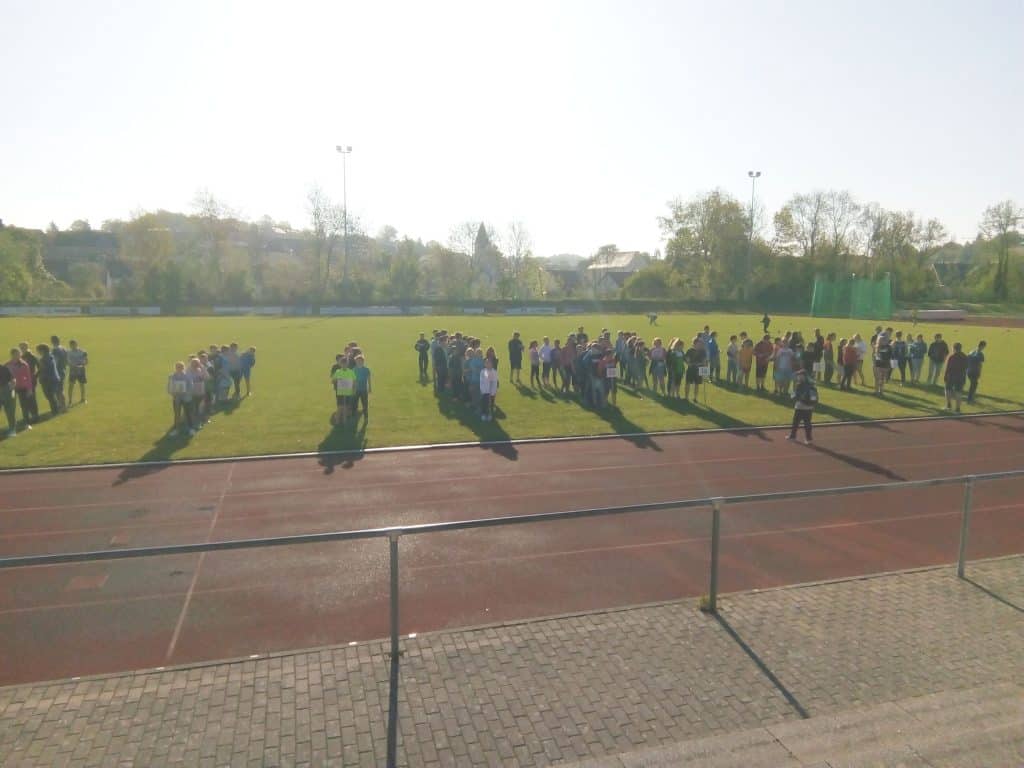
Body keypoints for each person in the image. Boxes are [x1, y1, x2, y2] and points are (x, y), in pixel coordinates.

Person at [8, 347, 38, 428]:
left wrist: (29, 389)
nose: (18, 356)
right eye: (16, 354)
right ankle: (13, 424)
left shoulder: (24, 364)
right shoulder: (7, 364)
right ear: (12, 355)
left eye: (19, 354)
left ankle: (26, 421)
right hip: (11, 388)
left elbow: (28, 378)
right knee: (11, 406)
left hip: (22, 387)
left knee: (24, 405)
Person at [788, 369, 818, 445]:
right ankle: (806, 438)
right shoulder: (811, 385)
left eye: (799, 376)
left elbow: (796, 396)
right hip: (806, 408)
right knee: (804, 423)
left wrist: (793, 396)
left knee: (799, 423)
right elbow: (814, 398)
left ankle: (794, 436)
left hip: (801, 407)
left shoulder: (801, 385)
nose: (798, 377)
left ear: (804, 376)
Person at [167, 361, 195, 436]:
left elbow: (191, 387)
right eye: (177, 367)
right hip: (177, 398)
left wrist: (185, 392)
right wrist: (173, 393)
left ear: (183, 368)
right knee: (177, 414)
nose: (179, 369)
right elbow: (169, 388)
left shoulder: (187, 376)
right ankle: (176, 429)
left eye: (180, 367)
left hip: (186, 398)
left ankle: (191, 428)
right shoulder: (172, 376)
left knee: (188, 413)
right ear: (175, 368)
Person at [35, 344, 63, 416]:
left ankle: (55, 411)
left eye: (38, 350)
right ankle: (56, 409)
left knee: (50, 396)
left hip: (49, 380)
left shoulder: (46, 358)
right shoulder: (49, 356)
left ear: (42, 350)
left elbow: (44, 369)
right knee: (51, 396)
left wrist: (37, 375)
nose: (38, 352)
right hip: (52, 379)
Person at [331, 355, 357, 425]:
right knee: (340, 406)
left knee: (346, 407)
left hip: (348, 392)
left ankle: (345, 420)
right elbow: (333, 380)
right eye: (342, 363)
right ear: (341, 364)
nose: (344, 365)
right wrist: (337, 380)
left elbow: (354, 382)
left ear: (347, 364)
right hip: (340, 392)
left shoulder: (351, 372)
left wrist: (354, 390)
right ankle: (337, 420)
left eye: (345, 364)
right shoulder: (338, 371)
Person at [944, 342, 968, 413]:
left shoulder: (952, 356)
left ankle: (948, 406)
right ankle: (958, 409)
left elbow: (948, 367)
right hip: (961, 376)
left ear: (954, 348)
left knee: (948, 390)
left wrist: (945, 376)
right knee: (959, 392)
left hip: (951, 376)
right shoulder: (965, 356)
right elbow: (966, 367)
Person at [66, 339, 88, 405]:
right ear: (70, 346)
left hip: (81, 370)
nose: (73, 346)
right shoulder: (69, 353)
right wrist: (74, 366)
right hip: (73, 371)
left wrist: (82, 365)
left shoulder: (82, 351)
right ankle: (70, 400)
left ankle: (83, 399)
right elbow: (68, 362)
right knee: (71, 385)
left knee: (82, 385)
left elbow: (86, 361)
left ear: (76, 344)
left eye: (74, 345)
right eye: (71, 345)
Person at [683, 337, 705, 402]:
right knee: (688, 383)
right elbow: (686, 358)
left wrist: (704, 371)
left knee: (697, 384)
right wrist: (688, 363)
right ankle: (686, 397)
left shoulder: (703, 351)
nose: (700, 344)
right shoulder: (690, 350)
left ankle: (695, 398)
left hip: (698, 369)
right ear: (695, 343)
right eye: (699, 343)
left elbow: (704, 361)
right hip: (691, 369)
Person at [50, 336, 68, 410]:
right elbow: (67, 360)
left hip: (57, 372)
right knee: (60, 389)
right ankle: (62, 405)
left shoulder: (55, 350)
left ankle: (62, 406)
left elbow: (55, 362)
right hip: (62, 370)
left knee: (58, 390)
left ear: (52, 341)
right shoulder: (64, 348)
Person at [0, 356, 16, 437]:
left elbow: (13, 379)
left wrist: (11, 388)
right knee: (10, 411)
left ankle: (12, 429)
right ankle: (12, 429)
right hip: (5, 390)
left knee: (10, 412)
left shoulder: (4, 368)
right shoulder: (4, 368)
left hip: (5, 390)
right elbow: (13, 379)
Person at [480, 355, 498, 421]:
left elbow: (495, 382)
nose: (488, 365)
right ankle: (484, 414)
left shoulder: (494, 372)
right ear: (485, 364)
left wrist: (493, 391)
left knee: (490, 404)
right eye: (486, 363)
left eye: (489, 363)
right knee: (484, 403)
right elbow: (481, 381)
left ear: (492, 365)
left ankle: (489, 414)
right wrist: (482, 390)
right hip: (485, 391)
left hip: (491, 392)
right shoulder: (482, 372)